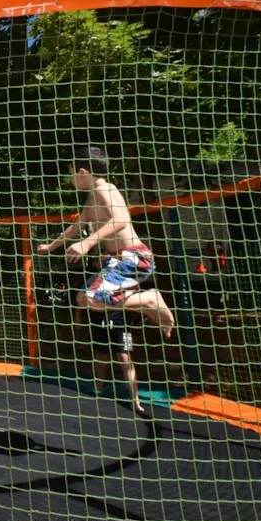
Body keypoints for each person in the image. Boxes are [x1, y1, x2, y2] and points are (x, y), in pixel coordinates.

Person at [39, 146, 176, 412]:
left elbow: (122, 220)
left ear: (82, 172)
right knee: (83, 298)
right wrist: (52, 246)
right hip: (119, 260)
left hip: (134, 258)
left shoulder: (106, 189)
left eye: (71, 175)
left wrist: (88, 243)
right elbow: (74, 227)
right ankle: (145, 301)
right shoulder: (91, 201)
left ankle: (150, 298)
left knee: (91, 298)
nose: (70, 180)